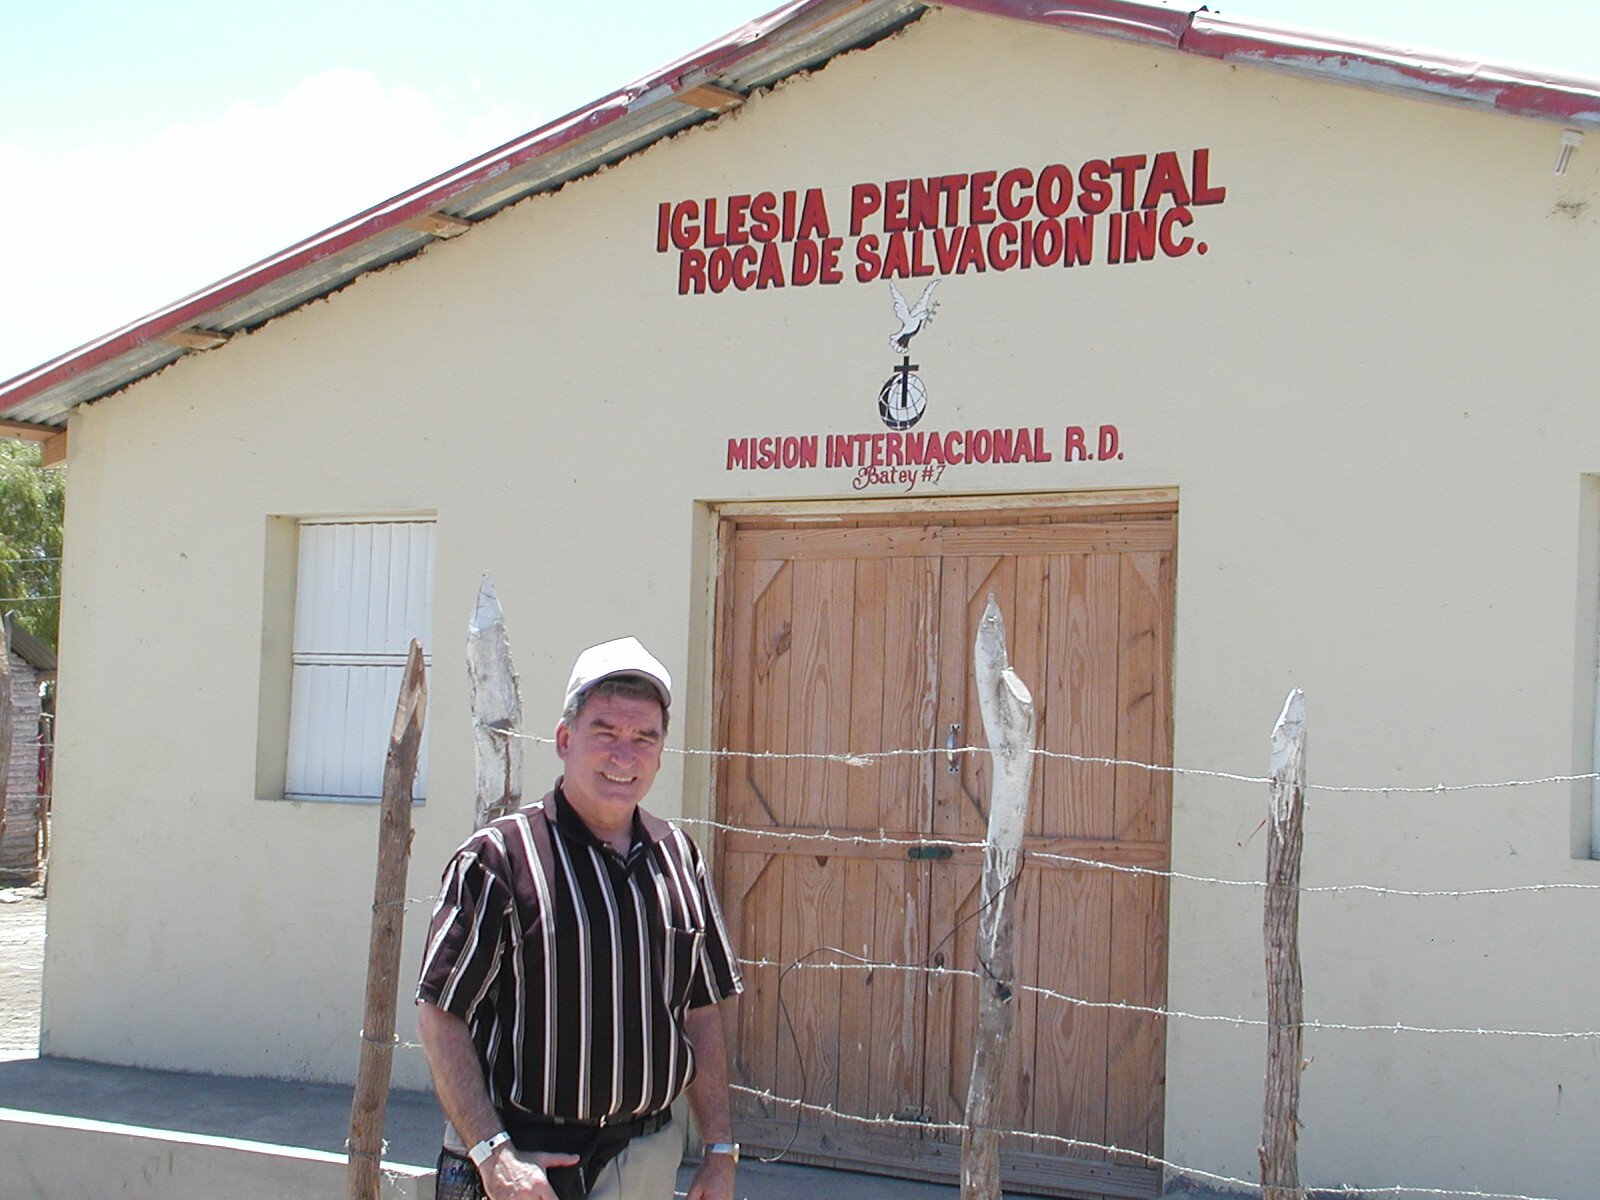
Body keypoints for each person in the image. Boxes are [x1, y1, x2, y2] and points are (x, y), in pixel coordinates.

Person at [417, 636, 743, 1200]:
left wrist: (719, 1149)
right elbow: (439, 1013)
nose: (624, 756)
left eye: (644, 738)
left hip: (644, 1160)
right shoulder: (499, 858)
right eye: (605, 732)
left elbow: (702, 1010)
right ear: (565, 740)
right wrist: (493, 1155)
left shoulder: (679, 856)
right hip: (525, 1166)